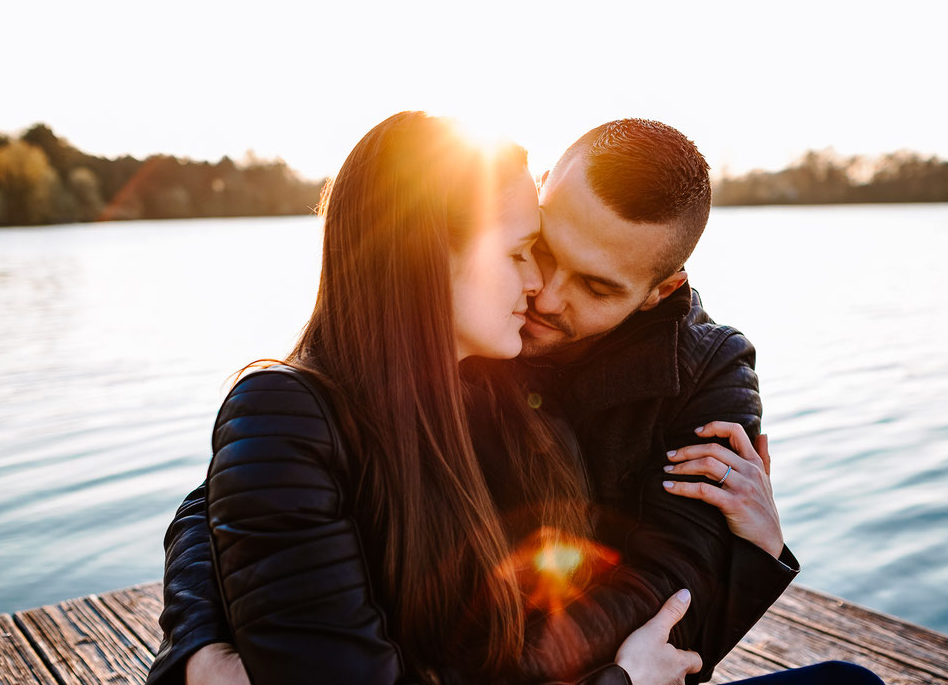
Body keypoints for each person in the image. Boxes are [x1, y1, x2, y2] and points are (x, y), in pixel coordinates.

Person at [147, 115, 883, 685]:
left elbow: (673, 599)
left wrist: (742, 562)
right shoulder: (451, 353)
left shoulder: (706, 376)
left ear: (659, 291)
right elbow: (226, 501)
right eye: (538, 250)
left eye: (595, 286)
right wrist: (200, 648)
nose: (546, 293)